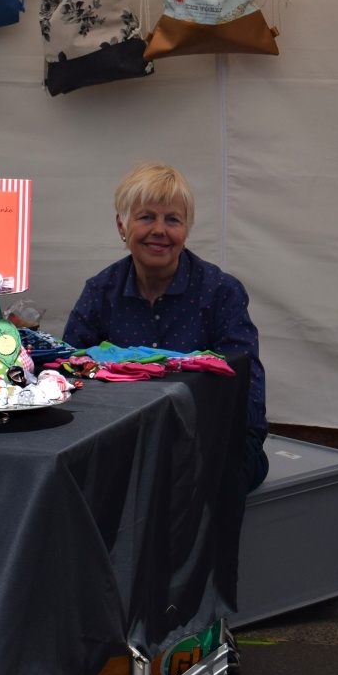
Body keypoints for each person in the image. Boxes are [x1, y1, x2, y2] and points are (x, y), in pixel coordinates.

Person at [62, 162, 269, 491]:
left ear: (186, 229)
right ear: (121, 225)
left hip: (211, 442)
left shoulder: (220, 292)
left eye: (172, 219)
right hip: (124, 439)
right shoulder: (100, 292)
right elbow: (68, 379)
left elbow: (247, 394)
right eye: (146, 217)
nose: (159, 230)